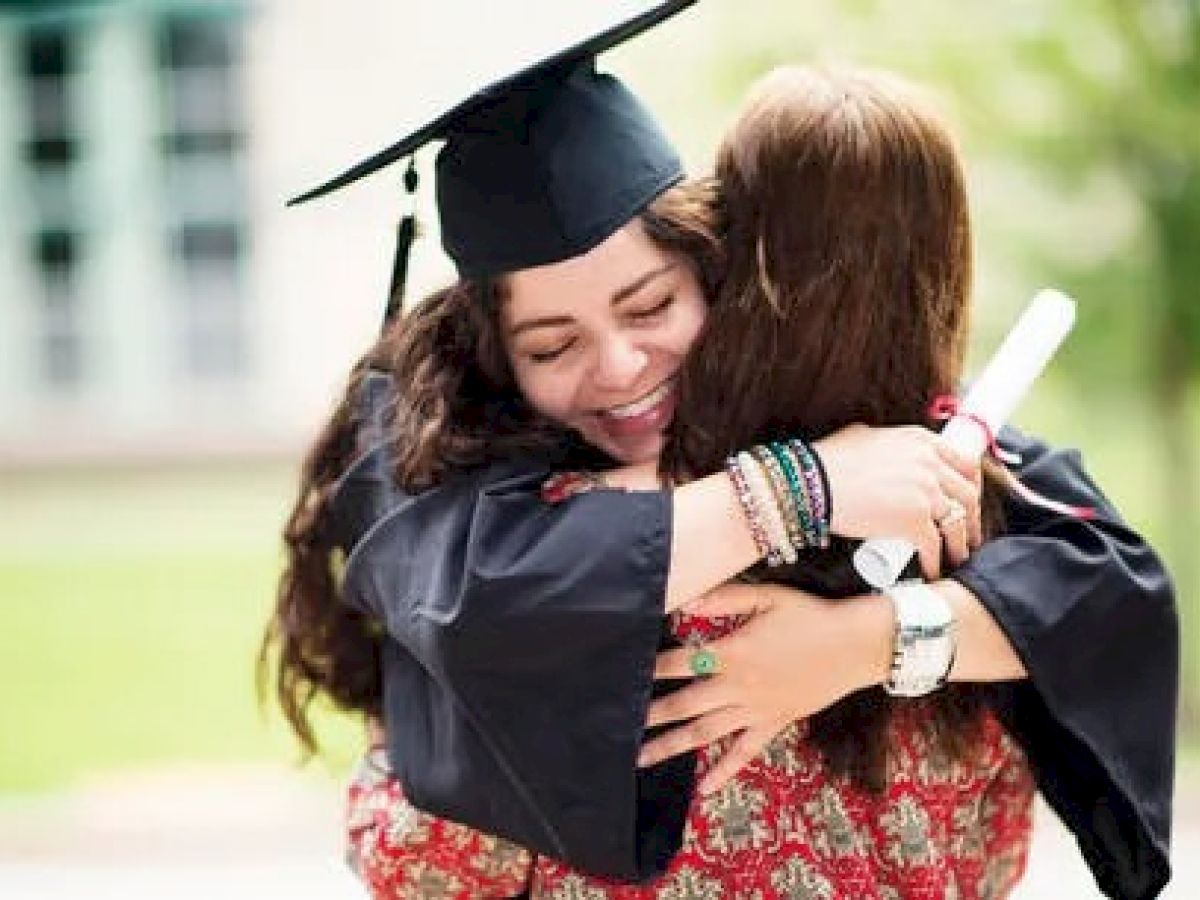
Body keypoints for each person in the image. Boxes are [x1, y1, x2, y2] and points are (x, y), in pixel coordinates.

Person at [262, 6, 1176, 898]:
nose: (619, 368)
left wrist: (863, 643)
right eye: (552, 346)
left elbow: (1102, 581)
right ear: (494, 354)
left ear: (716, 272)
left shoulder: (865, 431)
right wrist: (801, 488)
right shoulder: (434, 458)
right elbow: (486, 594)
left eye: (651, 307)